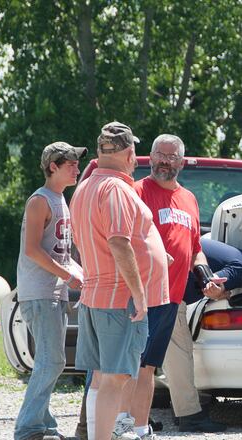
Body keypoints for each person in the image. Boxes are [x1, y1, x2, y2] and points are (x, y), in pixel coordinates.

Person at [110, 134, 225, 438]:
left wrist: (205, 276)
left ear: (181, 162)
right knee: (129, 366)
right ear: (150, 156)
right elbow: (121, 240)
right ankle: (117, 426)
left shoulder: (188, 199)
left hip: (171, 296)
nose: (164, 161)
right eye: (159, 155)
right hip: (141, 296)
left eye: (171, 156)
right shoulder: (137, 192)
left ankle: (138, 427)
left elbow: (196, 247)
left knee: (147, 367)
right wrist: (154, 256)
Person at [69, 121, 169, 440]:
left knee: (102, 379)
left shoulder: (86, 185)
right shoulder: (115, 188)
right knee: (116, 379)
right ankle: (112, 436)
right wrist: (139, 294)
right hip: (118, 299)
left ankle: (111, 435)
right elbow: (117, 241)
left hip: (96, 295)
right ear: (130, 153)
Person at [14, 142, 86, 440]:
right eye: (70, 163)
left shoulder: (60, 199)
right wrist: (68, 276)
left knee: (53, 360)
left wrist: (83, 275)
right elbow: (32, 250)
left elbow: (62, 253)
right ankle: (28, 429)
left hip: (53, 293)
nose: (77, 168)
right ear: (52, 166)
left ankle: (45, 426)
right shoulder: (39, 201)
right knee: (51, 361)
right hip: (39, 293)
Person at [163, 238, 242, 431]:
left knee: (141, 360)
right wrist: (220, 294)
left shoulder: (231, 255)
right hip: (169, 296)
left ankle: (133, 417)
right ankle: (189, 416)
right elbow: (210, 285)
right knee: (180, 356)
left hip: (157, 289)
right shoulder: (241, 267)